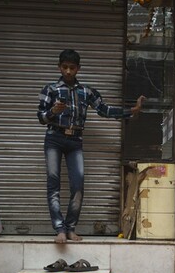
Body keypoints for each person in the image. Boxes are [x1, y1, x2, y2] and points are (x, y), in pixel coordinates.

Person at [37, 49, 145, 243]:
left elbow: (104, 110)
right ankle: (59, 229)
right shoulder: (50, 89)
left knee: (78, 186)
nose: (68, 72)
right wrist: (53, 111)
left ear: (78, 68)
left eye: (72, 68)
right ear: (59, 67)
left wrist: (131, 111)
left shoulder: (86, 92)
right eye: (65, 67)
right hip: (53, 138)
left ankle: (70, 228)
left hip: (75, 141)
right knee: (53, 184)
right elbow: (41, 118)